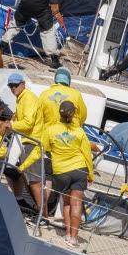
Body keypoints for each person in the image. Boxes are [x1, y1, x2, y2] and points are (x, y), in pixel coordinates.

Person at [41, 101, 94, 247]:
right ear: (73, 114)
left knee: (66, 203)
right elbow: (87, 155)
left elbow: (43, 148)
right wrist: (90, 174)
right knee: (76, 204)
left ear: (59, 113)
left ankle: (68, 234)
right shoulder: (79, 132)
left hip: (61, 171)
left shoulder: (50, 129)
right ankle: (74, 238)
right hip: (79, 169)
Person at [1, 73, 49, 210]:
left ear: (23, 84)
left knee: (35, 182)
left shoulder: (28, 98)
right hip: (26, 140)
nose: (12, 88)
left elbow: (28, 123)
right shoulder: (21, 98)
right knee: (23, 176)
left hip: (32, 142)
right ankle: (24, 203)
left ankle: (43, 216)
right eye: (10, 85)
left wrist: (11, 125)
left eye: (15, 85)